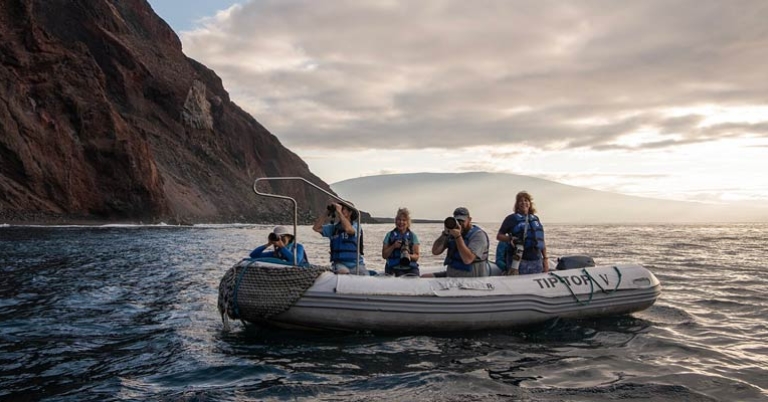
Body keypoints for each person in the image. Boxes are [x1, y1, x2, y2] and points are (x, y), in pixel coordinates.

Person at [423, 207, 489, 277]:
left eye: (462, 221)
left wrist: (458, 237)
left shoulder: (478, 235)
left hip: (472, 278)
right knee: (425, 277)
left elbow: (467, 259)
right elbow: (435, 251)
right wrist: (445, 234)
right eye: (457, 221)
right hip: (452, 275)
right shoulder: (452, 233)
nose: (459, 224)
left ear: (469, 220)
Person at [496, 191, 548, 275]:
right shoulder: (511, 219)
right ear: (517, 204)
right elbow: (499, 236)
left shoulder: (535, 219)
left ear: (530, 203)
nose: (523, 203)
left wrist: (545, 259)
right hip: (519, 261)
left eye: (526, 200)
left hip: (536, 260)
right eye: (520, 201)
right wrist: (511, 239)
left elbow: (541, 240)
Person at [313, 200, 366, 275]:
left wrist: (339, 212)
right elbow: (316, 228)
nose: (340, 210)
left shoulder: (356, 226)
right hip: (339, 264)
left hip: (356, 263)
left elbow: (348, 229)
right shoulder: (334, 228)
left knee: (365, 276)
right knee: (344, 272)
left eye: (343, 208)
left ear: (350, 212)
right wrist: (327, 212)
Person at [382, 207, 420, 277]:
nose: (401, 222)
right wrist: (393, 246)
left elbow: (416, 256)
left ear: (408, 222)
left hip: (410, 267)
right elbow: (384, 255)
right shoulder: (389, 235)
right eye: (399, 220)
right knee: (400, 274)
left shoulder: (413, 236)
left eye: (404, 220)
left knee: (415, 277)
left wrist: (407, 255)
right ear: (395, 221)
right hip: (394, 267)